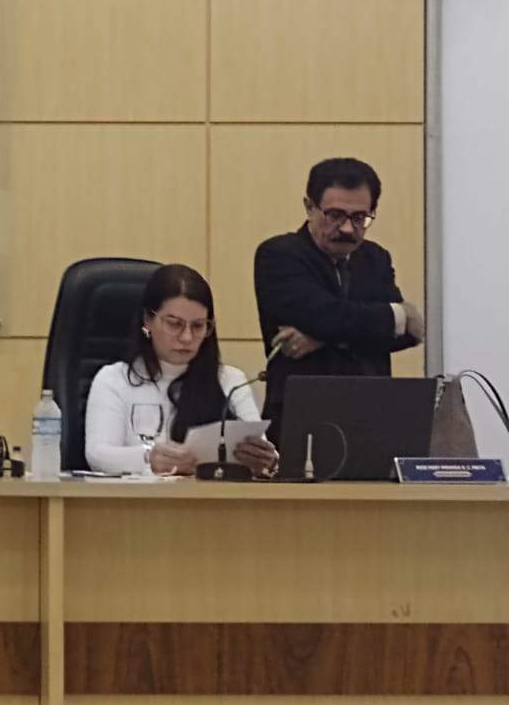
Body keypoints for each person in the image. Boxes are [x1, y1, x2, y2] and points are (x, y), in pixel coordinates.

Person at [254, 157, 423, 433]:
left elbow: (407, 335)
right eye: (335, 215)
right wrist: (396, 315)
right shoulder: (279, 255)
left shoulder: (375, 258)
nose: (347, 229)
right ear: (310, 207)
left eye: (359, 218)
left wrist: (321, 337)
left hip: (372, 412)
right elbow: (323, 315)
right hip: (302, 414)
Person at [85, 264, 278, 477]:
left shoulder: (231, 381)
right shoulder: (114, 380)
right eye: (174, 324)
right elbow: (98, 455)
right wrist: (148, 457)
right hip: (137, 497)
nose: (187, 337)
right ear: (147, 320)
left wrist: (265, 461)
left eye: (198, 326)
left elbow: (261, 448)